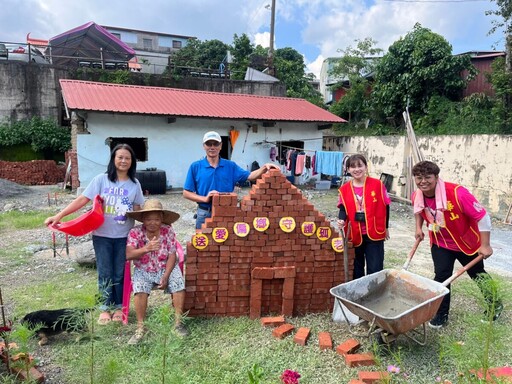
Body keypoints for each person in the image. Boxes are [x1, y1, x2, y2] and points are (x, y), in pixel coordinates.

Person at [45, 144, 145, 325]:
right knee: (105, 272)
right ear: (113, 159)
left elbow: (138, 208)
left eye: (127, 158)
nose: (123, 161)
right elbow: (83, 199)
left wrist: (153, 221)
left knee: (120, 273)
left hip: (125, 236)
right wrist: (59, 216)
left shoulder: (134, 184)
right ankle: (105, 308)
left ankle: (119, 307)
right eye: (120, 157)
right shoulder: (102, 180)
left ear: (132, 162)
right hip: (102, 235)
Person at [412, 160, 503, 328]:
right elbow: (418, 210)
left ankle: (495, 305)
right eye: (418, 178)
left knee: (478, 274)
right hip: (440, 243)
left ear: (436, 177)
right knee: (441, 277)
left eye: (427, 177)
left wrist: (486, 245)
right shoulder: (417, 194)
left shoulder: (457, 193)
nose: (423, 181)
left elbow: (483, 216)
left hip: (465, 242)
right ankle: (441, 314)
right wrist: (418, 227)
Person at [183, 131, 280, 229]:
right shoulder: (195, 167)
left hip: (226, 211)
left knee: (226, 242)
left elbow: (250, 176)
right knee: (203, 243)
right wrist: (205, 198)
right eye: (209, 144)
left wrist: (264, 167)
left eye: (216, 144)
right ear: (204, 146)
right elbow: (186, 193)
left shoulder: (230, 166)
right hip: (204, 212)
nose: (212, 147)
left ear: (220, 146)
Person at [125, 199, 187, 344]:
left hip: (165, 268)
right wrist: (146, 249)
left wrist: (166, 275)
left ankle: (178, 323)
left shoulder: (168, 230)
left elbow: (172, 254)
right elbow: (128, 255)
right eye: (148, 219)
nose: (153, 223)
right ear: (143, 220)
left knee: (178, 283)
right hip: (143, 269)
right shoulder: (135, 233)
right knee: (139, 289)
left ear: (162, 219)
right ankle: (141, 327)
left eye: (157, 219)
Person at [336, 154, 391, 279]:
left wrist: (386, 227)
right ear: (348, 170)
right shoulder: (344, 189)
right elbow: (343, 208)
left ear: (366, 167)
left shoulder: (378, 185)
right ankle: (359, 296)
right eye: (352, 167)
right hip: (355, 233)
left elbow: (386, 206)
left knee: (375, 268)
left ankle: (374, 295)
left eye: (360, 165)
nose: (357, 169)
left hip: (375, 232)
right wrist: (341, 220)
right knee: (357, 268)